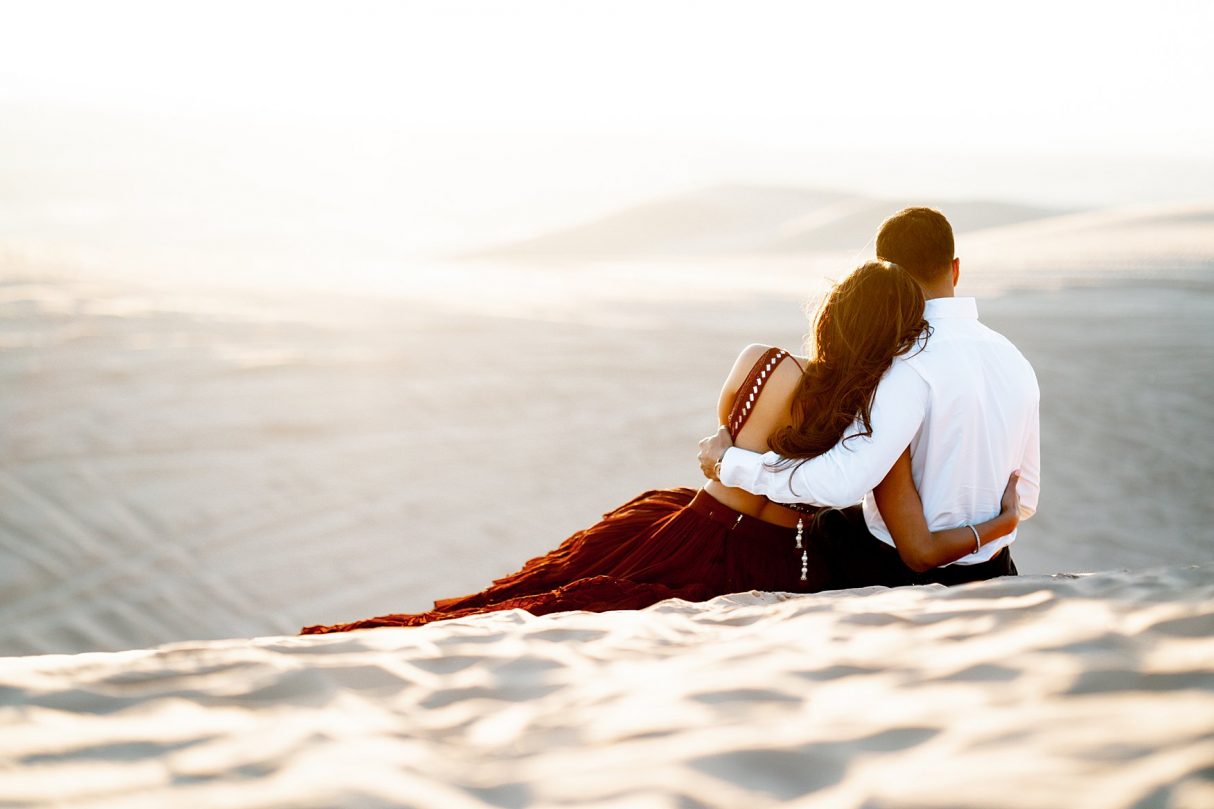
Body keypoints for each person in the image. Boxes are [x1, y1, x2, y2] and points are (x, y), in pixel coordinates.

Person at [301, 251, 1024, 635]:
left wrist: (728, 451)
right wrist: (999, 521)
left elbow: (721, 438)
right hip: (781, 559)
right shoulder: (874, 410)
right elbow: (900, 522)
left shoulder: (764, 362)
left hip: (697, 520)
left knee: (541, 592)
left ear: (833, 312)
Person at [697, 207, 1040, 590]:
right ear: (955, 268)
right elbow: (1024, 499)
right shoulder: (1014, 358)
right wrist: (987, 528)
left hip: (899, 577)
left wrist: (730, 463)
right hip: (997, 571)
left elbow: (841, 483)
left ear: (883, 275)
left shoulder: (903, 363)